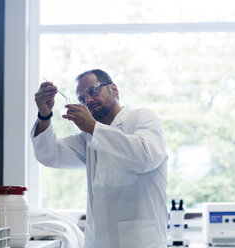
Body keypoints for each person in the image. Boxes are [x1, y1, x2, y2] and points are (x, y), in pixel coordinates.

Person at [31, 69, 168, 248]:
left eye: (93, 90)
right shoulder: (89, 137)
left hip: (139, 241)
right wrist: (44, 114)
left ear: (114, 89)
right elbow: (49, 155)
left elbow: (146, 157)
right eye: (81, 98)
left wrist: (94, 128)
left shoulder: (141, 117)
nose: (88, 100)